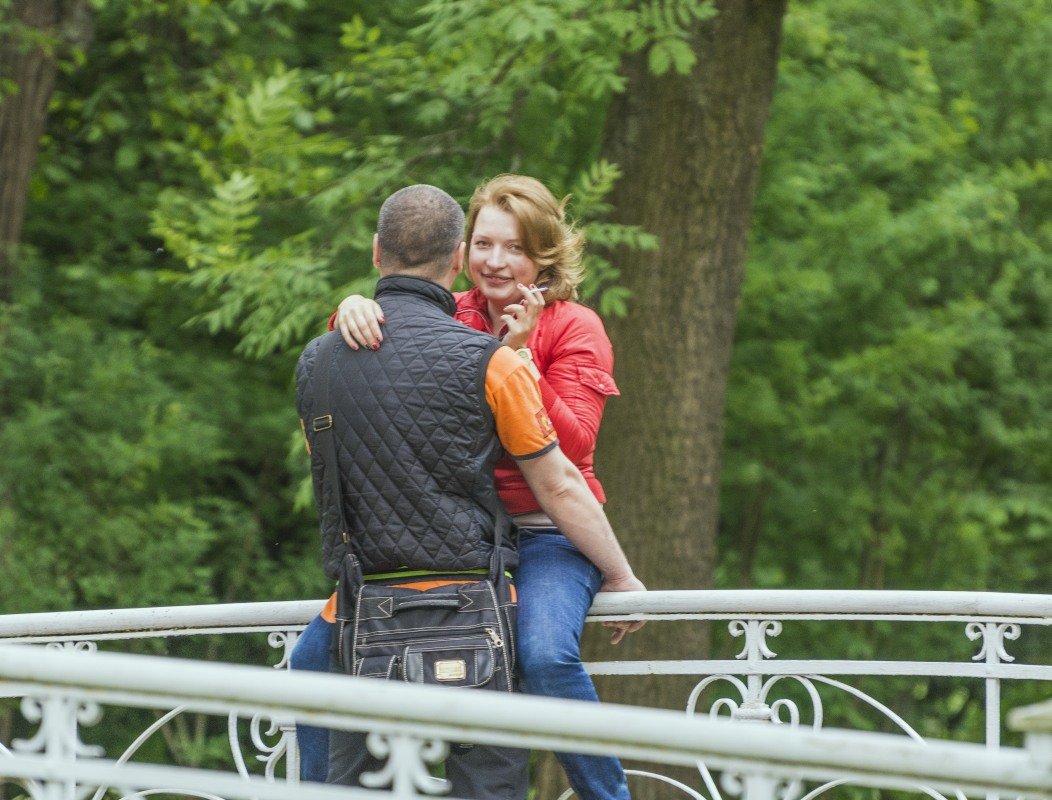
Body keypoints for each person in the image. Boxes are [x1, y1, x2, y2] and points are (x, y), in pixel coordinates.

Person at [292, 174, 641, 800]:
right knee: (315, 659)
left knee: (543, 656)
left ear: (543, 256)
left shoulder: (575, 327)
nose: (496, 261)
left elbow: (578, 450)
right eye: (484, 244)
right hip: (460, 541)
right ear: (461, 252)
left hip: (546, 534)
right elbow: (382, 355)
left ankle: (607, 796)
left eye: (515, 248)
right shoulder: (450, 312)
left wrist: (524, 354)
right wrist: (349, 306)